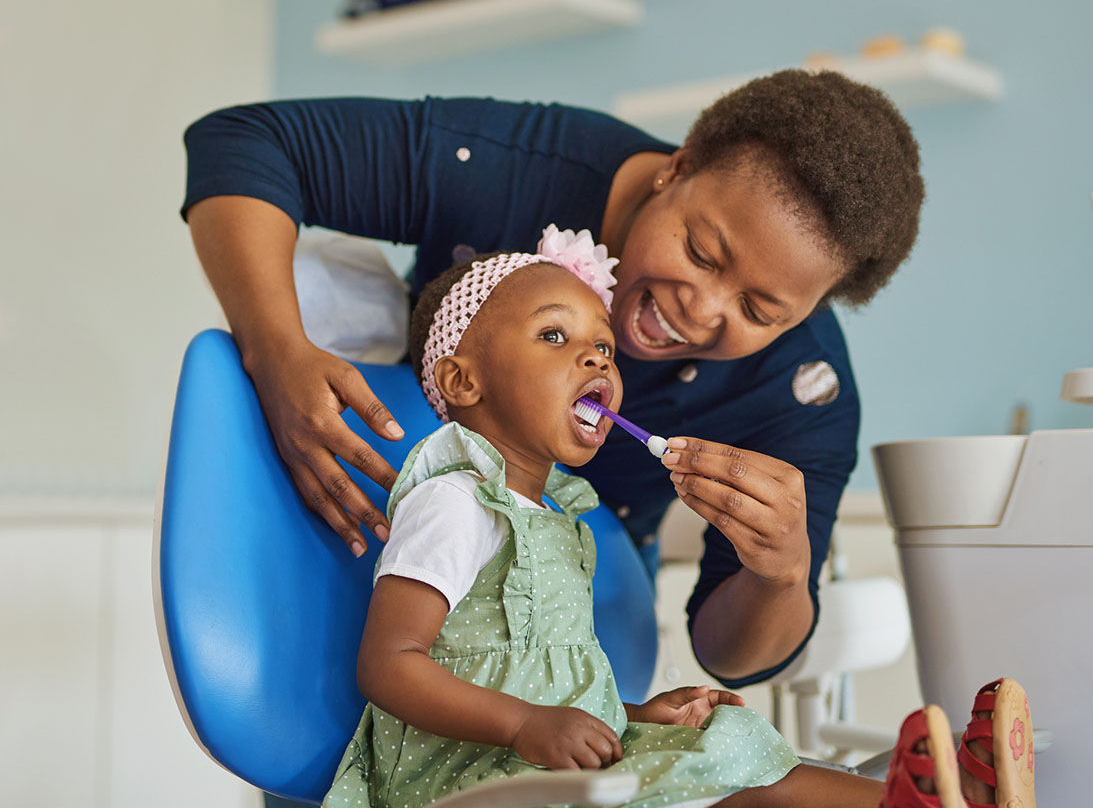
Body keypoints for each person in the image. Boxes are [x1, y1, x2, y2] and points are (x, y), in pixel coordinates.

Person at [181, 70, 923, 695]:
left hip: (571, 640)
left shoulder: (804, 395)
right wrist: (276, 352)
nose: (700, 310)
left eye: (759, 310)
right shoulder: (512, 165)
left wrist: (782, 573)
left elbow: (732, 657)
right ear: (678, 165)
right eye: (700, 250)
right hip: (360, 541)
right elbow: (245, 142)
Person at [321, 233, 1037, 808]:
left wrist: (632, 714)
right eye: (553, 337)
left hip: (541, 763)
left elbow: (544, 679)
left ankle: (940, 796)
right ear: (462, 381)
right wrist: (526, 725)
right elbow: (390, 665)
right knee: (720, 773)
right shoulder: (454, 502)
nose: (594, 355)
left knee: (723, 741)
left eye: (601, 344)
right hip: (467, 779)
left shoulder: (562, 519)